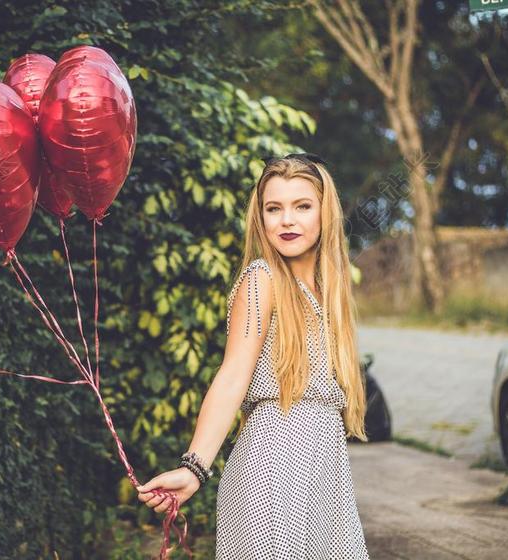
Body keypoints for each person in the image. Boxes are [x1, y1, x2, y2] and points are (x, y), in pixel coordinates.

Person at [136, 153, 370, 559]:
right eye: (273, 208)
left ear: (325, 212)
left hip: (324, 470)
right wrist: (194, 467)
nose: (287, 220)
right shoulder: (262, 279)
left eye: (302, 206)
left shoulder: (328, 288)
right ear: (260, 217)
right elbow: (232, 375)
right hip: (274, 465)